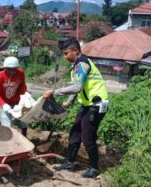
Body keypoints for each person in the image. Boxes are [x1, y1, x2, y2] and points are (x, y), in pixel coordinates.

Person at [43, 38, 109, 178]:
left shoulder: (82, 65)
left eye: (66, 53)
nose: (65, 56)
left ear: (75, 51)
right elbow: (78, 88)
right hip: (87, 105)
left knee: (87, 137)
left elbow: (76, 87)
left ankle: (94, 167)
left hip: (96, 105)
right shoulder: (76, 66)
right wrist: (69, 101)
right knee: (75, 133)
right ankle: (70, 162)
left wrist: (54, 92)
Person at [0, 56, 28, 136]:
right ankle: (8, 143)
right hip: (5, 103)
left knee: (23, 122)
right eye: (9, 69)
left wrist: (24, 96)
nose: (12, 71)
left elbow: (22, 86)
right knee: (7, 125)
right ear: (5, 68)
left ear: (17, 68)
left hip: (18, 103)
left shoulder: (20, 73)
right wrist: (3, 104)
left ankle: (25, 139)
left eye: (14, 69)